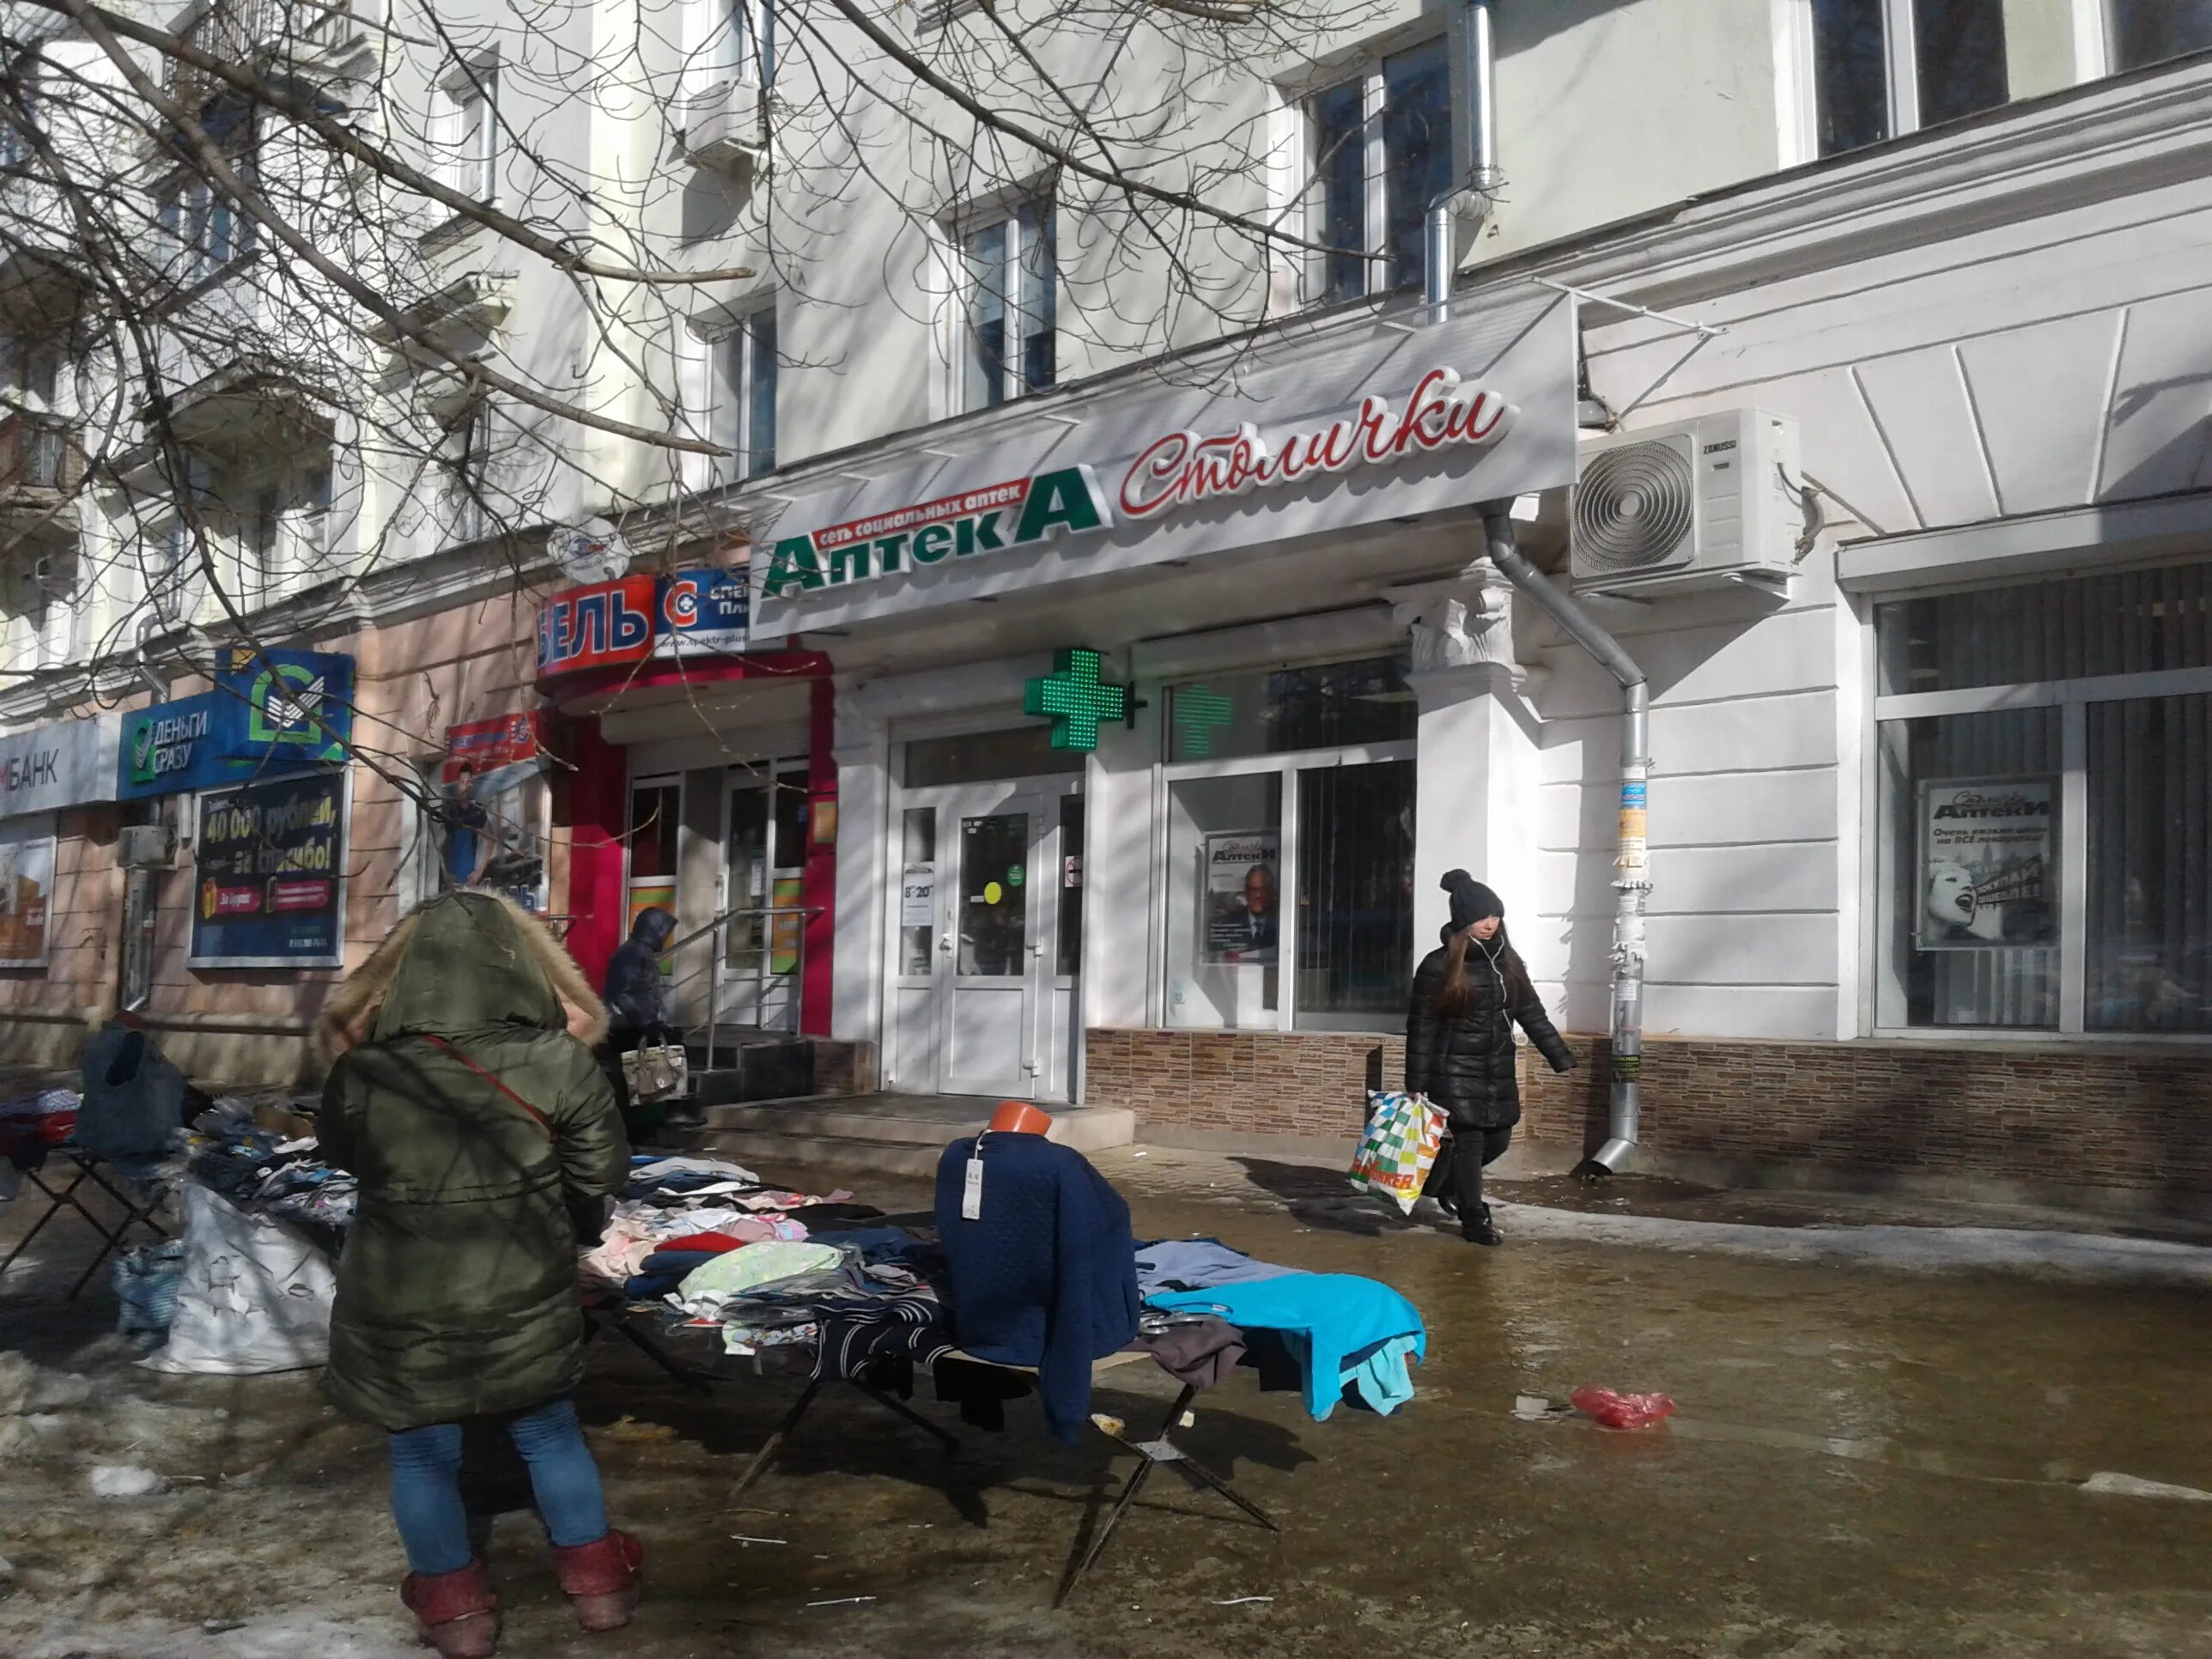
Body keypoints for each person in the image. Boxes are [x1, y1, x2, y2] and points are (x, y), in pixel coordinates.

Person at [314, 891, 642, 1659]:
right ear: (520, 968)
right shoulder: (558, 1060)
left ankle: (456, 1610)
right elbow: (603, 1168)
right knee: (548, 1432)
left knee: (422, 1451)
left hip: (398, 1290)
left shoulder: (369, 1070)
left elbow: (341, 1155)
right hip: (521, 1277)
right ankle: (598, 1586)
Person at [1405, 871, 1574, 1247]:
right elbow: (1421, 1027)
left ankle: (1446, 1183)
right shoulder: (1437, 965)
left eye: (1495, 916)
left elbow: (1531, 1012)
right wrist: (1416, 1083)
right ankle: (1474, 1217)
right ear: (1463, 922)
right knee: (1471, 1143)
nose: (1490, 924)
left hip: (1496, 1069)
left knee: (1499, 1140)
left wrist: (1558, 1055)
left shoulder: (1508, 962)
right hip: (1454, 1070)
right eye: (1483, 917)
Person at [601, 906, 700, 1137]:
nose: (666, 939)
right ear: (653, 931)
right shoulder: (632, 954)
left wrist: (661, 1021)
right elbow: (623, 993)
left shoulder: (638, 953)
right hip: (629, 1025)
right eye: (664, 933)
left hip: (635, 1022)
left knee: (668, 1057)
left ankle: (664, 1112)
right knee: (659, 1063)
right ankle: (666, 1113)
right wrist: (647, 1022)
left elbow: (646, 993)